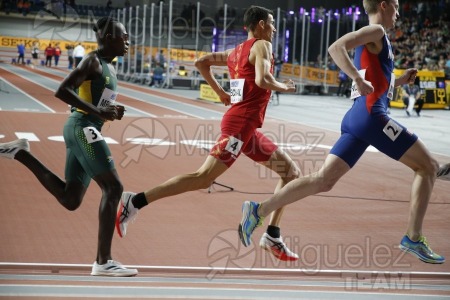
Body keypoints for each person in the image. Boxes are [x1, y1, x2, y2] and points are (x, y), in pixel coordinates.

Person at [239, 0, 447, 264]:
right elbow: (335, 48)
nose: (398, 12)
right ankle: (413, 238)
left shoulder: (375, 41)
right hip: (373, 118)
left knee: (323, 180)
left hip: (357, 119)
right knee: (427, 166)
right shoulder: (377, 31)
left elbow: (378, 79)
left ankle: (258, 210)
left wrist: (399, 79)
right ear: (382, 5)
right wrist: (357, 79)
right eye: (395, 6)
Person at [116, 6, 301, 262]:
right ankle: (134, 201)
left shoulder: (234, 52)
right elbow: (262, 79)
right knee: (202, 177)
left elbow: (200, 63)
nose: (274, 28)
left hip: (246, 130)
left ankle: (272, 233)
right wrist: (284, 86)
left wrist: (221, 94)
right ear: (260, 25)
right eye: (271, 23)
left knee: (290, 173)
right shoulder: (261, 46)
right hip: (239, 128)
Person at [0, 17, 137, 276]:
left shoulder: (109, 66)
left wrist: (109, 112)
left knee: (70, 199)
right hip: (82, 128)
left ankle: (21, 153)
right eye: (124, 36)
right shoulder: (93, 61)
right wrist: (98, 111)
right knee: (114, 187)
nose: (128, 41)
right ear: (109, 38)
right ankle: (103, 261)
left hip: (86, 127)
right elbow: (63, 90)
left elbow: (98, 103)